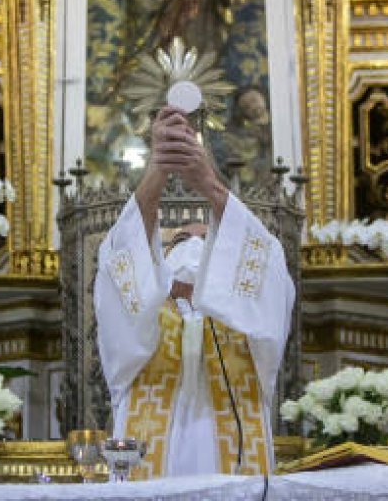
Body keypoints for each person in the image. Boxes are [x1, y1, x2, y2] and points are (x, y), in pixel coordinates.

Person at [94, 106, 295, 478]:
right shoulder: (143, 312)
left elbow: (269, 262)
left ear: (228, 254)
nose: (194, 244)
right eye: (182, 238)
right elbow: (121, 255)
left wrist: (209, 184)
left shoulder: (245, 315)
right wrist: (156, 170)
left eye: (211, 238)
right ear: (158, 255)